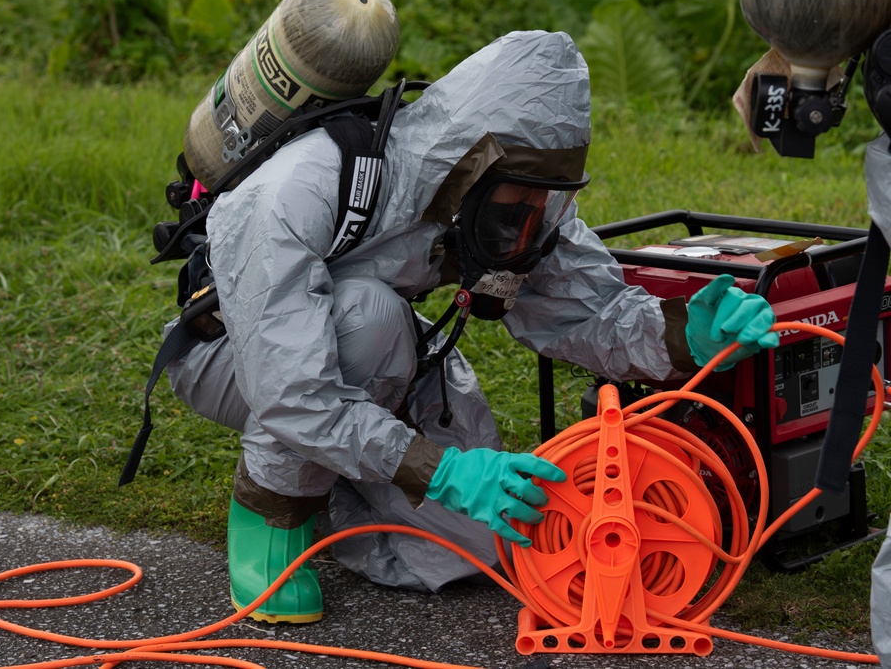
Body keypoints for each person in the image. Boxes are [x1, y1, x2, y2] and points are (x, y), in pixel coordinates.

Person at [165, 30, 779, 623]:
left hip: (372, 354)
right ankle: (273, 513)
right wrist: (441, 470)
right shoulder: (297, 189)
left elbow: (586, 310)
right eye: (523, 198)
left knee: (487, 547)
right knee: (371, 316)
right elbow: (291, 390)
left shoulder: (513, 200)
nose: (533, 220)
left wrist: (686, 336)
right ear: (469, 167)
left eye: (548, 200)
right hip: (230, 355)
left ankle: (344, 492)